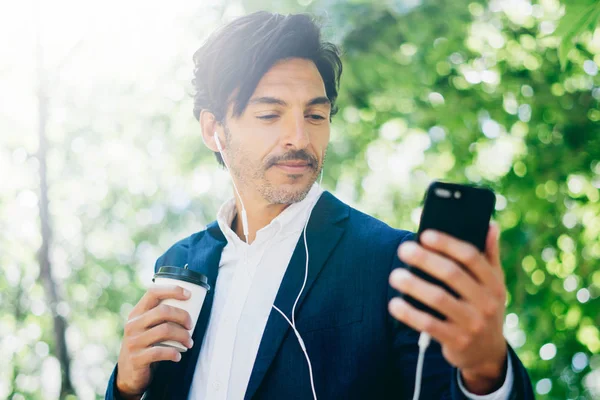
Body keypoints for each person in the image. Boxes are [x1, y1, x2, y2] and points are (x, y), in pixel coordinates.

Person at [105, 11, 534, 400]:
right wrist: (125, 387)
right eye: (270, 115)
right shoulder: (179, 264)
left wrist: (485, 372)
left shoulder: (391, 262)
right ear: (214, 129)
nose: (299, 138)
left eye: (315, 115)